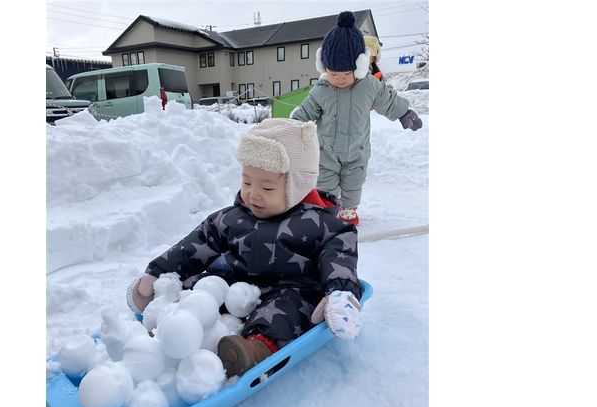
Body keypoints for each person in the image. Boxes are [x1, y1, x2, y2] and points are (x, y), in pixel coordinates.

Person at [127, 118, 363, 378]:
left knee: (287, 311)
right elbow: (195, 245)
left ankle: (253, 351)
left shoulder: (320, 224)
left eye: (267, 187)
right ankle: (173, 326)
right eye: (247, 182)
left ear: (298, 186)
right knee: (201, 288)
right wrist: (159, 273)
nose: (253, 194)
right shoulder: (232, 218)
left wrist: (339, 294)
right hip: (232, 288)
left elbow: (340, 254)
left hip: (288, 289)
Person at [291, 11, 423, 226]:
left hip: (357, 151)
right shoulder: (321, 90)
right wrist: (292, 126)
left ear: (360, 66)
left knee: (353, 184)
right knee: (325, 183)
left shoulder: (369, 85)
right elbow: (307, 111)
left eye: (345, 74)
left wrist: (404, 113)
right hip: (327, 152)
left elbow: (387, 99)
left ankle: (349, 211)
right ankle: (327, 212)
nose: (339, 79)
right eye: (334, 74)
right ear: (324, 69)